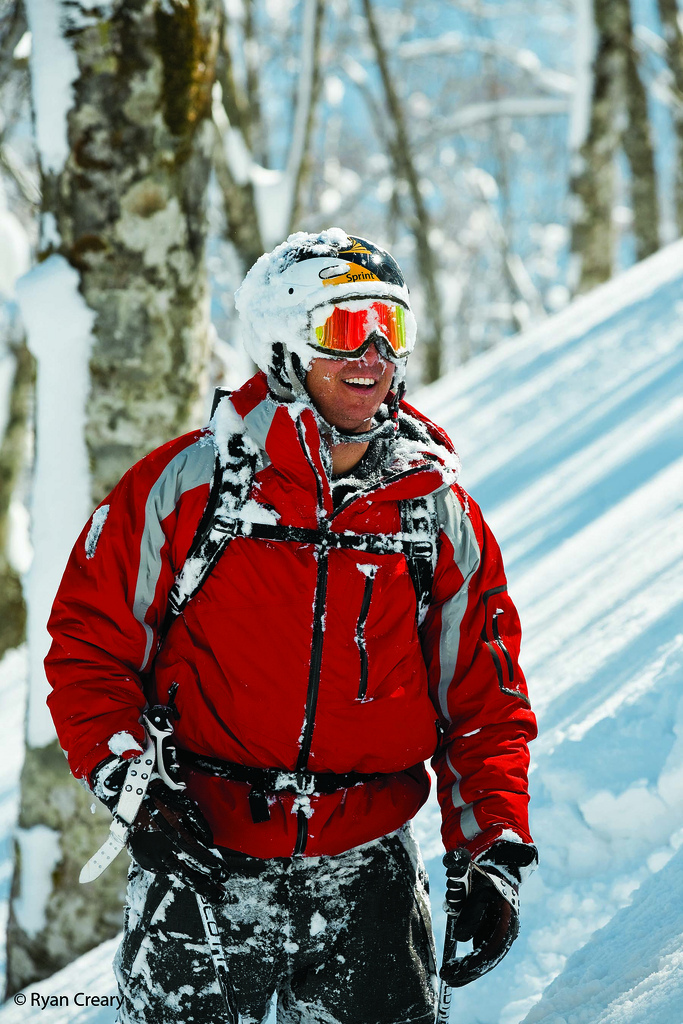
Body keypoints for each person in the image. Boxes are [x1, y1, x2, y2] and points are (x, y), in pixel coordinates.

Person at [46, 229, 538, 1024]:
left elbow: (481, 699)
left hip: (367, 881)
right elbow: (90, 649)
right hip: (201, 863)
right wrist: (136, 791)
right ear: (280, 342)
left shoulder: (434, 512)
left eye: (391, 328)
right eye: (344, 329)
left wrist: (492, 848)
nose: (373, 354)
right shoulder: (185, 488)